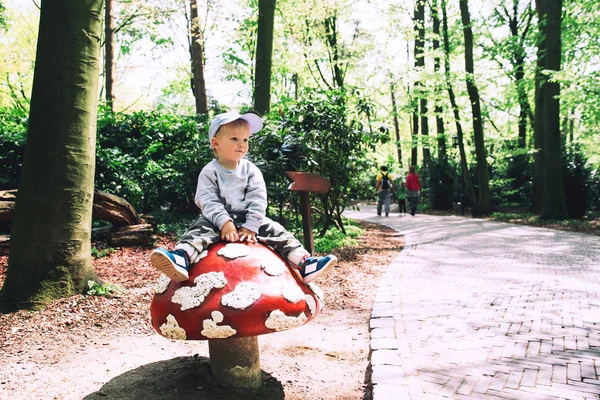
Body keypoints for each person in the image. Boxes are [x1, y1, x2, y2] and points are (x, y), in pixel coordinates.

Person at [149, 111, 337, 284]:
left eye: (246, 139)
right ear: (216, 143)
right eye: (235, 138)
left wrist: (251, 225)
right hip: (216, 220)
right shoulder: (210, 171)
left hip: (250, 218)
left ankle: (305, 263)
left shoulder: (250, 170)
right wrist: (224, 222)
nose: (242, 144)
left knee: (280, 233)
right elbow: (207, 199)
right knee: (197, 232)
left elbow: (258, 198)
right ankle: (181, 257)